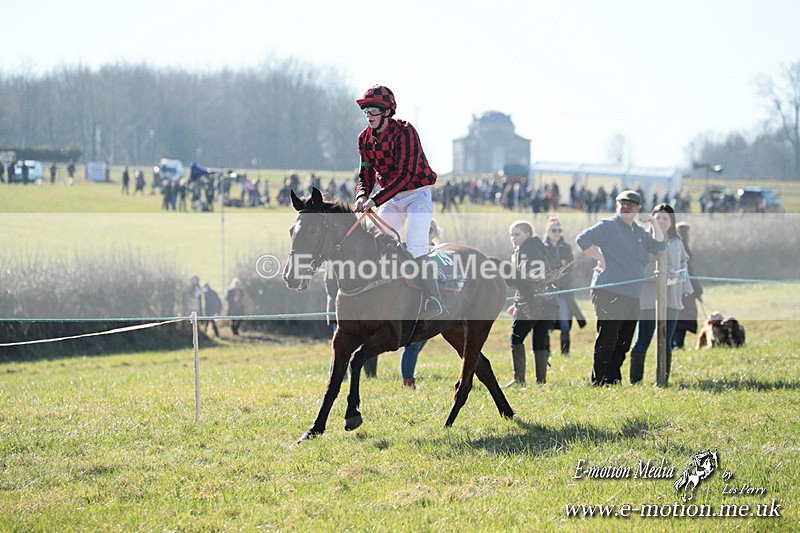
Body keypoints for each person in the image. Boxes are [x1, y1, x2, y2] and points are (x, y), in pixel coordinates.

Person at [352, 84, 446, 320]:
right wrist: (361, 195)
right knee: (376, 241)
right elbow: (365, 173)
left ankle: (433, 299)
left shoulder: (405, 132)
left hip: (417, 194)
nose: (368, 116)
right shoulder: (364, 139)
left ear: (386, 112)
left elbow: (405, 175)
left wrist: (375, 199)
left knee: (415, 246)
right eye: (366, 111)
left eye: (373, 111)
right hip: (392, 197)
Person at [576, 190, 665, 386]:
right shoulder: (608, 226)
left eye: (630, 205)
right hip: (608, 290)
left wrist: (653, 221)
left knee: (624, 341)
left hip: (632, 294)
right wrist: (601, 258)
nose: (625, 207)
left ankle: (613, 380)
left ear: (638, 208)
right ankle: (599, 381)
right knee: (608, 338)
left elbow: (659, 246)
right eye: (622, 204)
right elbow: (582, 239)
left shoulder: (639, 232)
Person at [629, 204, 693, 383]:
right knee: (643, 339)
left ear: (671, 222)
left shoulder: (677, 242)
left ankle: (663, 379)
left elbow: (683, 264)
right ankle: (636, 380)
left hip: (672, 297)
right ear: (652, 220)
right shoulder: (644, 240)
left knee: (666, 340)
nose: (662, 222)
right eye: (658, 218)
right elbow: (640, 268)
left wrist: (686, 287)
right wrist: (663, 270)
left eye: (666, 218)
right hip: (649, 298)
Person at [505, 220, 559, 386]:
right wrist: (517, 302)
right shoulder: (536, 248)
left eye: (517, 234)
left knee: (516, 338)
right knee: (539, 340)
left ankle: (519, 380)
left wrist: (519, 303)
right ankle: (541, 381)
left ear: (528, 234)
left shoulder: (528, 250)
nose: (513, 238)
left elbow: (528, 280)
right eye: (511, 235)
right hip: (549, 302)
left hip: (535, 302)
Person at [399, 219, 443, 389]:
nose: (425, 233)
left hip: (443, 305)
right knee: (413, 346)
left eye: (429, 230)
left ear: (434, 233)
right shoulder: (408, 251)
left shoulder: (441, 252)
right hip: (419, 307)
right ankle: (407, 383)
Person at [542, 216, 586, 356]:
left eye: (559, 230)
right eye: (554, 230)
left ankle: (565, 353)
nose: (557, 233)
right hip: (547, 291)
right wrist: (558, 266)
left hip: (564, 291)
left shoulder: (566, 248)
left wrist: (556, 268)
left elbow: (568, 268)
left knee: (565, 322)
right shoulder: (542, 248)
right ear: (548, 231)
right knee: (546, 323)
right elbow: (543, 269)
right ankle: (546, 352)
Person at [672, 222, 703, 349]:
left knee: (677, 317)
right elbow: (690, 272)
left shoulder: (674, 245)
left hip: (675, 287)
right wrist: (698, 291)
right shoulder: (683, 249)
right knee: (683, 317)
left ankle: (674, 344)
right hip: (685, 289)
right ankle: (678, 344)